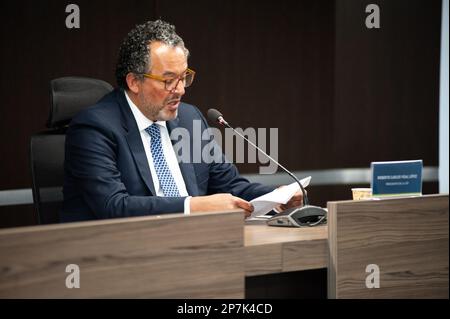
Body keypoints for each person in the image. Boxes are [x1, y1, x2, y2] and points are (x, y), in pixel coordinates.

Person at [61, 20, 303, 222]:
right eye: (168, 80)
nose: (180, 90)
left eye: (184, 77)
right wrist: (193, 206)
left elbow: (229, 185)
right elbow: (114, 206)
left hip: (195, 246)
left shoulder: (189, 118)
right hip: (122, 256)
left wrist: (275, 195)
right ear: (134, 81)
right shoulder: (94, 128)